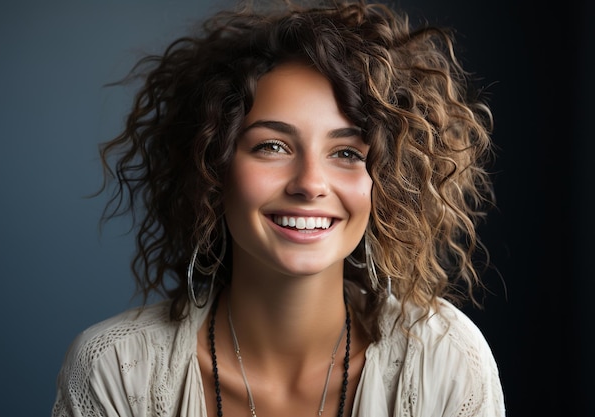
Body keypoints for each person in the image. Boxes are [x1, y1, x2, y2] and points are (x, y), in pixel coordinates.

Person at [51, 0, 505, 416]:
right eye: (272, 146)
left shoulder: (446, 361)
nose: (310, 184)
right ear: (213, 166)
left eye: (347, 153)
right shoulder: (112, 370)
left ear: (386, 181)